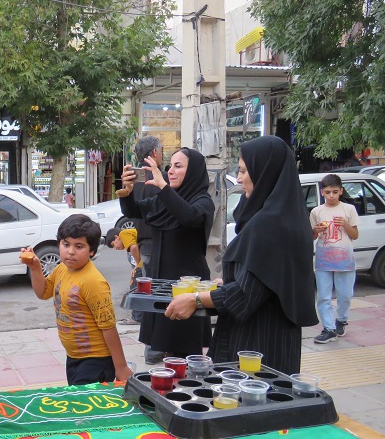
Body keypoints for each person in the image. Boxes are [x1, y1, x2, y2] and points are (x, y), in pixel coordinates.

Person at [165, 136, 318, 375]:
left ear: (264, 173)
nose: (238, 178)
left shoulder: (268, 225)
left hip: (255, 344)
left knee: (251, 395)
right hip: (278, 340)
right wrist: (227, 282)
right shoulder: (289, 219)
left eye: (244, 171)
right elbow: (267, 281)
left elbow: (246, 295)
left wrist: (195, 299)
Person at [120, 147, 215, 359]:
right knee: (165, 348)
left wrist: (163, 187)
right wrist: (127, 190)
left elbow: (188, 216)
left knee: (184, 350)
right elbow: (133, 210)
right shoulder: (165, 200)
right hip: (162, 284)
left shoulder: (203, 201)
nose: (170, 171)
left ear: (193, 172)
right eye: (170, 166)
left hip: (187, 287)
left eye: (178, 166)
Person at [22, 214, 132, 384]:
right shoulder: (61, 269)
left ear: (92, 251)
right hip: (73, 358)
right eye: (66, 244)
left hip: (96, 360)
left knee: (88, 402)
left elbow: (108, 327)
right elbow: (42, 292)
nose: (71, 251)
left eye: (79, 246)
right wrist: (35, 268)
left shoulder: (93, 282)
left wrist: (121, 367)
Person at [119, 136, 166, 364]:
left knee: (150, 293)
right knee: (157, 294)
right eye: (161, 150)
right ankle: (154, 349)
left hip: (145, 243)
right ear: (155, 154)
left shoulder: (135, 180)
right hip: (157, 243)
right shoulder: (158, 180)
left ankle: (153, 348)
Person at [310, 173, 359, 343]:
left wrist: (345, 224)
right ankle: (328, 328)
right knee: (323, 296)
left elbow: (355, 235)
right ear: (322, 192)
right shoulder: (316, 211)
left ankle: (341, 319)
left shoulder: (349, 209)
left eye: (335, 192)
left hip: (344, 260)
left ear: (341, 191)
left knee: (345, 295)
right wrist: (316, 231)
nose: (331, 196)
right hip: (323, 260)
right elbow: (312, 236)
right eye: (328, 192)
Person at [105, 227, 143, 326]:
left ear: (116, 237)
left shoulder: (123, 234)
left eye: (113, 244)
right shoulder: (128, 240)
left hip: (142, 265)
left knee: (135, 289)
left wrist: (138, 265)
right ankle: (139, 316)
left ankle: (137, 318)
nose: (116, 248)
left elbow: (134, 248)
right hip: (145, 263)